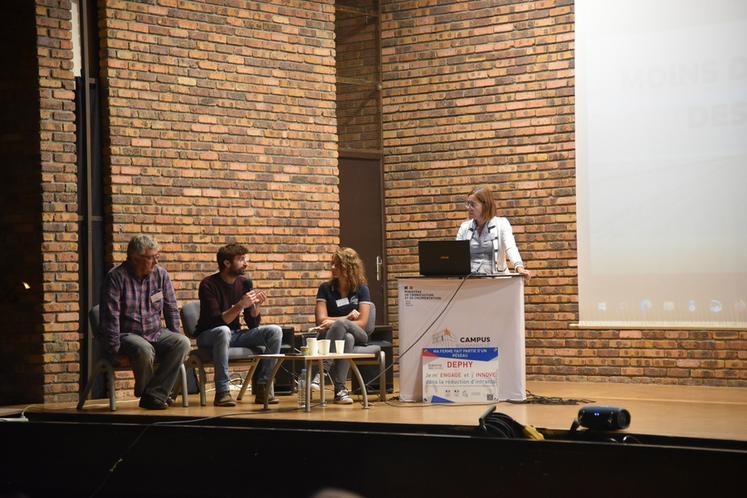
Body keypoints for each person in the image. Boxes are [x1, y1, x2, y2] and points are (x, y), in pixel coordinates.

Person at [100, 235, 191, 410]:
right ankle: (153, 394)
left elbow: (171, 309)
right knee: (143, 348)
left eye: (158, 256)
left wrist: (174, 334)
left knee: (182, 342)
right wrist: (114, 352)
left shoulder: (161, 275)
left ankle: (153, 394)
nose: (156, 261)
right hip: (127, 335)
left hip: (155, 332)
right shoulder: (116, 277)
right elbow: (110, 317)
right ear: (135, 258)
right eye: (151, 257)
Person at [194, 243, 282, 406]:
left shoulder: (244, 282)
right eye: (241, 259)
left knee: (274, 331)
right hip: (208, 335)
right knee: (223, 331)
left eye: (245, 259)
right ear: (227, 263)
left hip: (233, 334)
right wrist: (240, 305)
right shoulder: (208, 284)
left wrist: (256, 307)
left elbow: (252, 323)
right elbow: (217, 321)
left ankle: (264, 387)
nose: (246, 263)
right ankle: (222, 392)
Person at [314, 247, 373, 404]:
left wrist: (337, 321)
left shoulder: (361, 289)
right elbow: (321, 320)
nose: (333, 267)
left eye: (337, 264)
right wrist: (346, 317)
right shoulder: (325, 288)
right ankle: (340, 391)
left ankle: (323, 371)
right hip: (332, 336)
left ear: (349, 266)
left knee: (344, 328)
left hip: (360, 333)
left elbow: (362, 323)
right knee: (346, 338)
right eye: (332, 264)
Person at [456, 186, 531, 278]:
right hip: (470, 281)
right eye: (468, 204)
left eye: (473, 204)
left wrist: (519, 267)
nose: (469, 208)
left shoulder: (502, 223)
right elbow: (457, 255)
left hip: (497, 281)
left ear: (485, 205)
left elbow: (510, 247)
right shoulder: (464, 227)